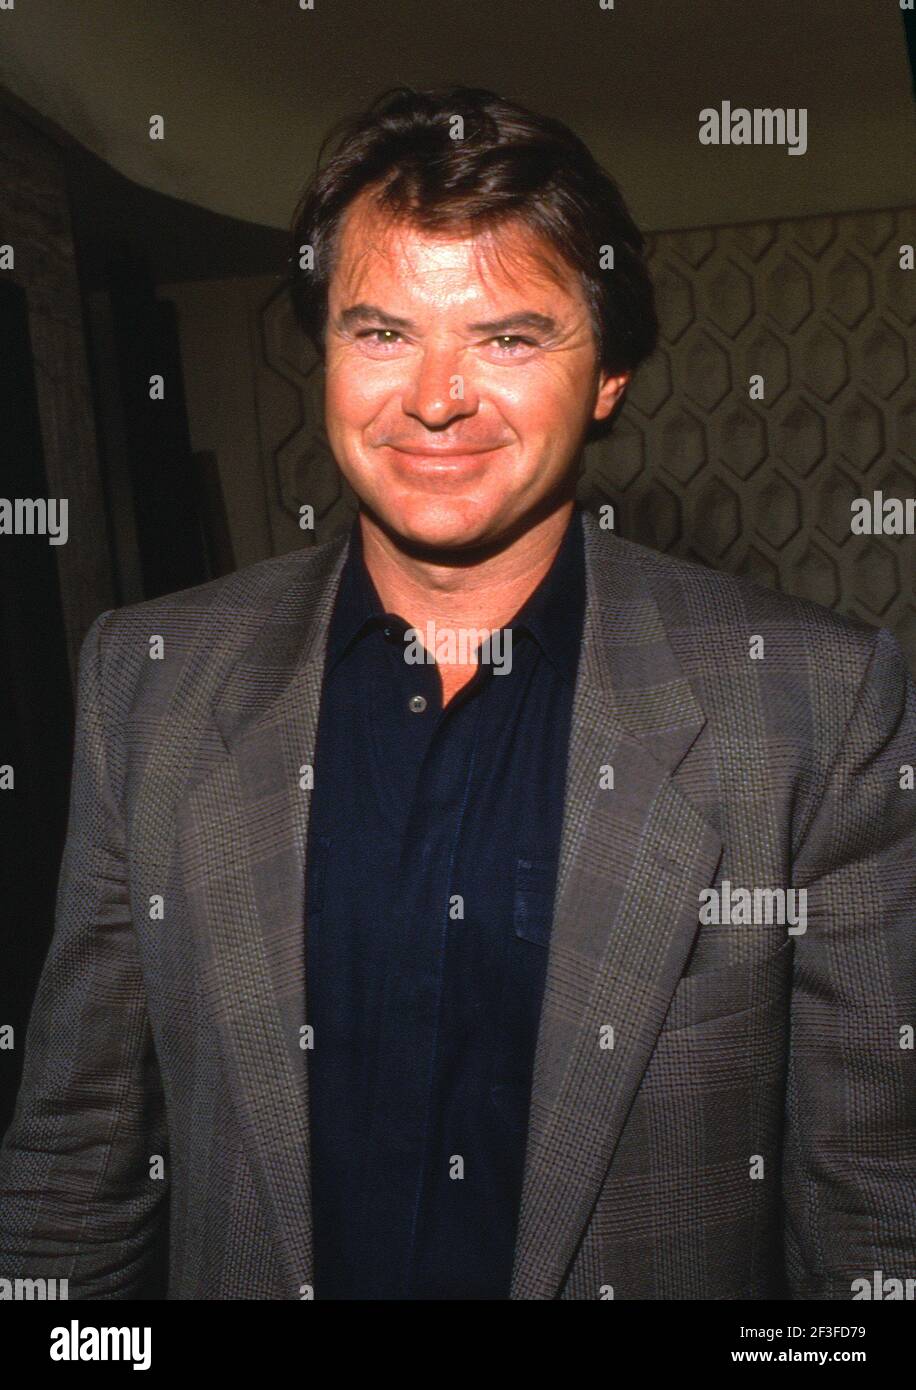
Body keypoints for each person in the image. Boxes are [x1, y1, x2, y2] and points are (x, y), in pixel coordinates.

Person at [1, 85, 913, 1301]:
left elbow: (870, 1217)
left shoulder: (814, 707)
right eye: (380, 333)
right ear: (324, 354)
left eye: (509, 338)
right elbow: (74, 1168)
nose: (435, 397)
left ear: (608, 377)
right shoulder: (151, 682)